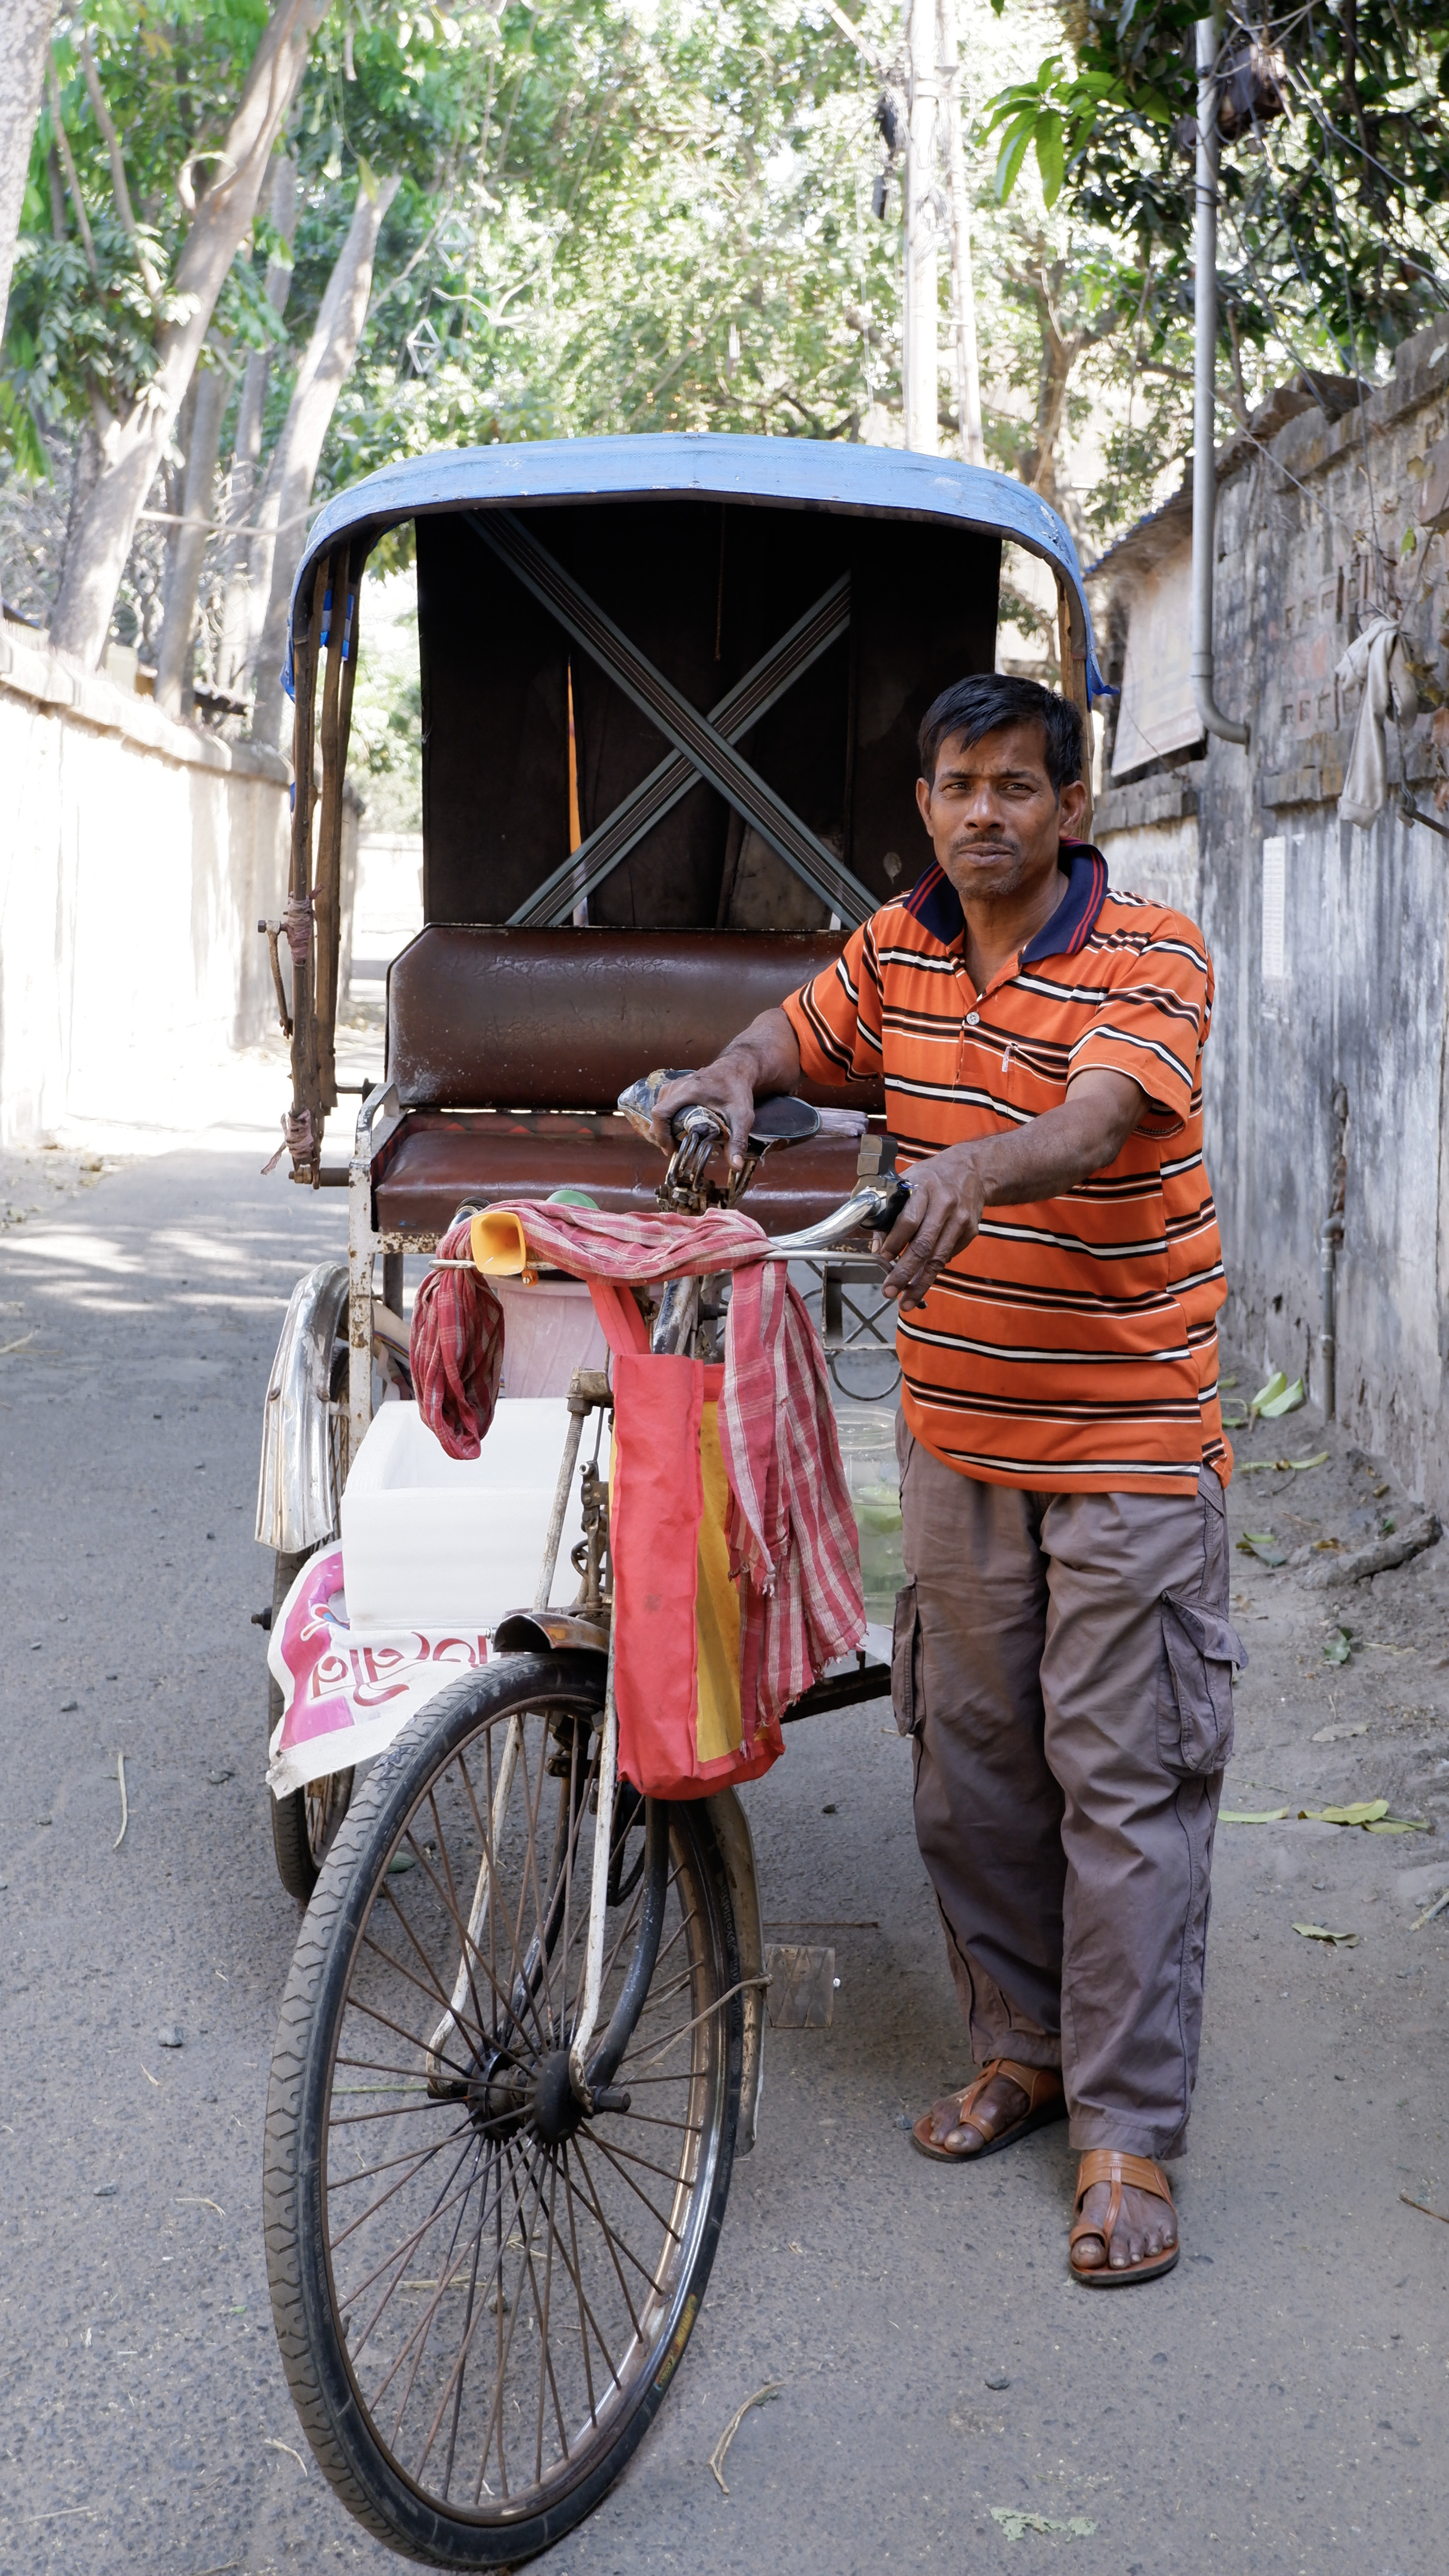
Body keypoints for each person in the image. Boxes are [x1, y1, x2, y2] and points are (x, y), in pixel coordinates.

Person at [653, 671, 1241, 2287]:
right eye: (958, 785)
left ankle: (1125, 2137)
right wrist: (730, 1078)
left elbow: (1111, 1111)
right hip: (960, 1437)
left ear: (1074, 806)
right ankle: (1023, 2049)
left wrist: (975, 1163)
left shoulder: (1154, 953)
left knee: (1123, 1782)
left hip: (1127, 1436)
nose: (985, 812)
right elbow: (797, 1030)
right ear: (926, 806)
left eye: (1016, 787)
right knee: (972, 1768)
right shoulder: (896, 949)